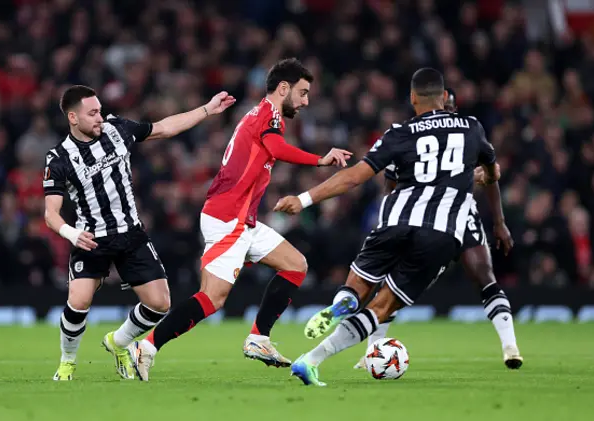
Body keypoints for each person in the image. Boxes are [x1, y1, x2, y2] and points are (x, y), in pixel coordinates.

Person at [274, 68, 500, 386]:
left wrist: (304, 199)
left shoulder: (399, 133)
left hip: (394, 223)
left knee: (360, 288)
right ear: (444, 96)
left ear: (412, 98)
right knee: (380, 308)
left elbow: (354, 176)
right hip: (439, 233)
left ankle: (345, 298)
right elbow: (492, 169)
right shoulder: (471, 128)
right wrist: (483, 179)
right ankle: (311, 360)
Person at [131, 58, 352, 381]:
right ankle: (146, 348)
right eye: (302, 93)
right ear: (283, 88)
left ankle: (259, 338)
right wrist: (321, 159)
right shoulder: (268, 114)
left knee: (295, 264)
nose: (305, 101)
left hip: (241, 218)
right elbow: (276, 148)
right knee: (212, 298)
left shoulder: (261, 113)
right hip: (228, 217)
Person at [44, 85, 235, 381]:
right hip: (90, 238)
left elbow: (164, 128)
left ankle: (118, 342)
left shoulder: (118, 129)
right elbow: (50, 214)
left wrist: (207, 109)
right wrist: (70, 233)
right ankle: (67, 362)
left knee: (160, 303)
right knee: (79, 301)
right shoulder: (59, 158)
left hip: (130, 234)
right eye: (92, 113)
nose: (100, 117)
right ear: (72, 117)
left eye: (100, 110)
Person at [353, 88, 522, 371]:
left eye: (452, 108)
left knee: (484, 275)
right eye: (445, 107)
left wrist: (499, 222)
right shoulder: (411, 138)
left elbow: (493, 175)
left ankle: (510, 346)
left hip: (460, 214)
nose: (448, 113)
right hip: (422, 221)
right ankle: (372, 349)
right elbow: (390, 189)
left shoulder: (467, 134)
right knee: (394, 285)